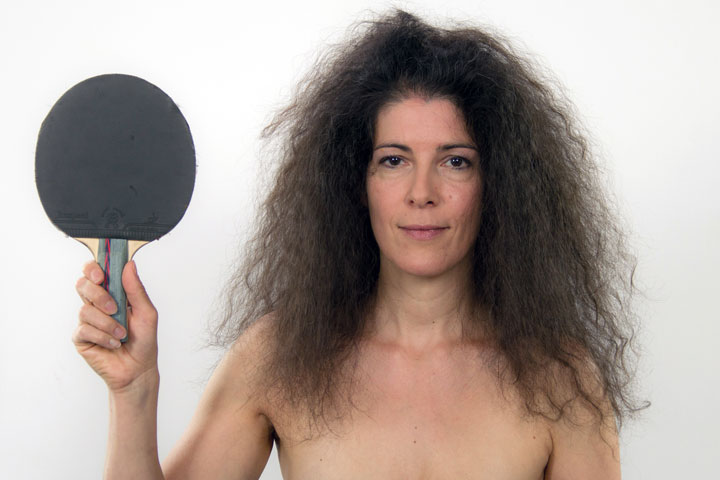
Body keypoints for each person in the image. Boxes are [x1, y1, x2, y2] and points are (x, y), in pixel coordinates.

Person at [72, 10, 642, 479]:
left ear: (500, 184)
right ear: (356, 182)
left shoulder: (560, 378)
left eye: (455, 161)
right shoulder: (278, 356)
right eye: (393, 160)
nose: (422, 192)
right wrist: (133, 390)